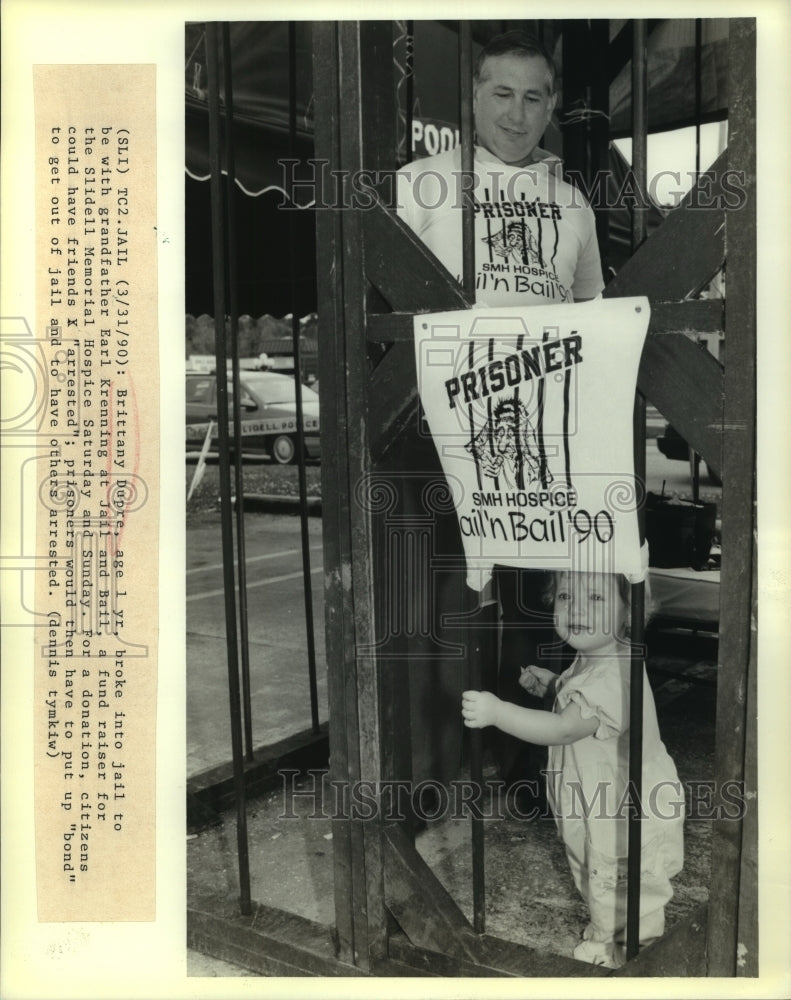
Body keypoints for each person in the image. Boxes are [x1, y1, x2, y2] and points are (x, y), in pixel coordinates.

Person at [396, 30, 605, 795]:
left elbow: (592, 314)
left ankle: (521, 769)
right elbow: (374, 308)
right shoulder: (417, 185)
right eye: (500, 93)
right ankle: (428, 781)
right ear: (473, 96)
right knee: (438, 604)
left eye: (533, 97)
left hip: (539, 433)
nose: (517, 114)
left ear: (551, 105)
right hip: (439, 431)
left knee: (527, 603)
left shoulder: (571, 202)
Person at [461, 570, 684, 968]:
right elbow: (579, 701)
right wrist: (553, 688)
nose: (576, 608)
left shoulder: (614, 675)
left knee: (624, 885)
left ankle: (636, 955)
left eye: (595, 599)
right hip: (598, 800)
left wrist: (500, 712)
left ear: (627, 612)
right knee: (601, 876)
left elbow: (565, 729)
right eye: (565, 596)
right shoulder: (599, 656)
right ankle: (611, 932)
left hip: (622, 809)